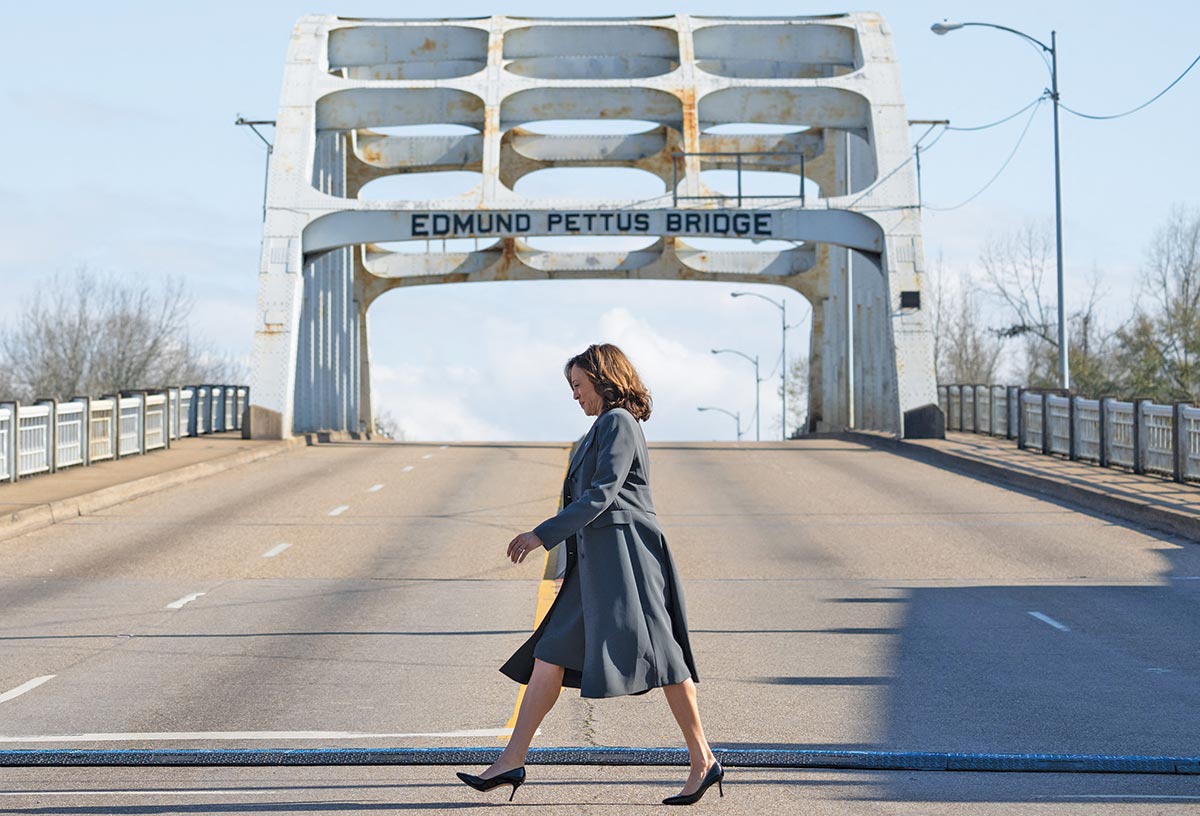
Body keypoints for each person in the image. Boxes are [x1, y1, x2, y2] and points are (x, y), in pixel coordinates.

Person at [456, 343, 723, 806]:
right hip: (599, 563)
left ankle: (703, 760)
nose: (575, 396)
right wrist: (567, 566)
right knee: (551, 652)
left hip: (627, 558)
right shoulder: (603, 426)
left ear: (603, 380)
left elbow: (602, 494)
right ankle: (511, 759)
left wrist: (542, 535)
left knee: (664, 655)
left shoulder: (618, 422)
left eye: (579, 386)